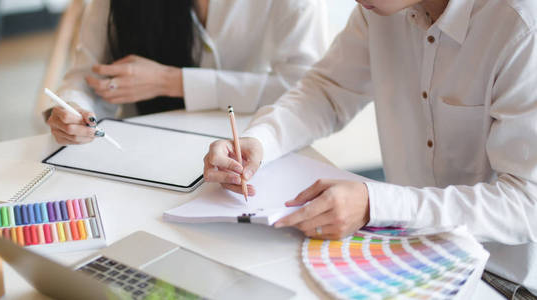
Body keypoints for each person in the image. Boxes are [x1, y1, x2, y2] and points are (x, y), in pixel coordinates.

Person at [203, 0, 537, 296]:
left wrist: (375, 204)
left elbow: (528, 203)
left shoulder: (522, 27)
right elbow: (327, 90)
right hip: (406, 255)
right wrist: (260, 141)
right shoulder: (379, 11)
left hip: (501, 281)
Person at [44, 0, 328, 145]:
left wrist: (173, 82)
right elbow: (87, 77)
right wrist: (74, 109)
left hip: (248, 145)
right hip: (143, 144)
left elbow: (303, 88)